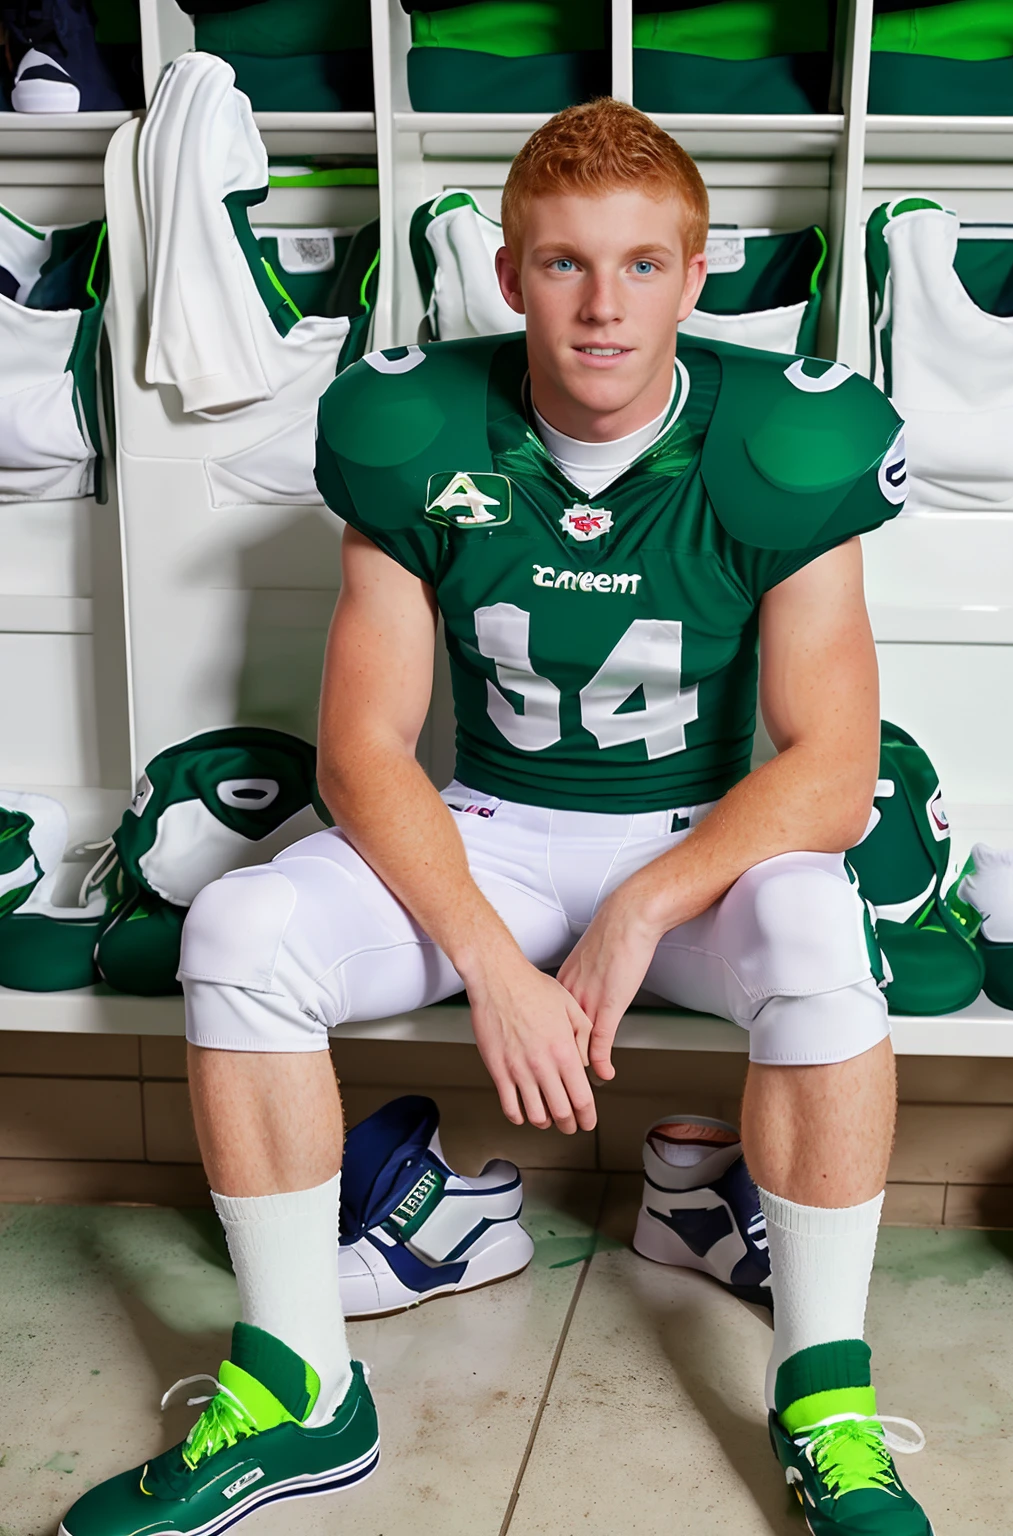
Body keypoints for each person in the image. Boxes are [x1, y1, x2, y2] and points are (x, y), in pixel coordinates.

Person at [61, 99, 932, 1536]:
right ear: (509, 273)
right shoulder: (414, 429)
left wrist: (644, 905)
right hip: (497, 831)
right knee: (243, 923)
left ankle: (824, 1395)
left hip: (700, 845)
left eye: (643, 265)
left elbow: (831, 774)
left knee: (816, 922)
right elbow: (362, 747)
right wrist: (500, 961)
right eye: (566, 266)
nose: (604, 307)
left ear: (698, 272)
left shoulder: (781, 439)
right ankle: (295, 1393)